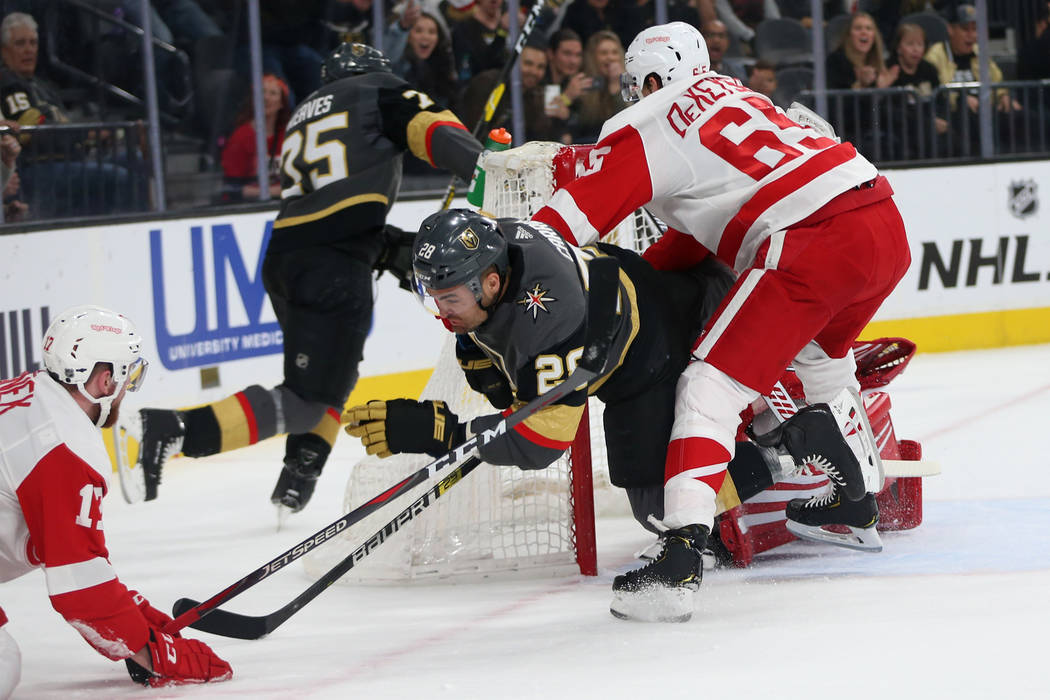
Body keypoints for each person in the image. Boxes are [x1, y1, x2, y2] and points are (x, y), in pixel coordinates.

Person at [530, 22, 909, 619]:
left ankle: (680, 560)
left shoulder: (651, 121)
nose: (634, 94)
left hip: (812, 238)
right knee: (822, 365)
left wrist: (502, 264)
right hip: (881, 219)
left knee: (708, 386)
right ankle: (856, 505)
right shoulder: (737, 94)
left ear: (651, 79)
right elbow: (689, 240)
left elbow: (563, 227)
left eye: (636, 84)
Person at [342, 209, 869, 620]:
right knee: (495, 375)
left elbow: (541, 444)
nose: (442, 311)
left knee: (660, 509)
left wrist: (440, 431)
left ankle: (794, 446)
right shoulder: (493, 245)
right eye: (432, 296)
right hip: (633, 290)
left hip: (648, 351)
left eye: (450, 297)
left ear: (493, 284)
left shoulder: (548, 318)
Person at [129, 43, 483, 515]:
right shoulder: (378, 90)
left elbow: (332, 201)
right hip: (332, 265)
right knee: (305, 402)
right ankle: (172, 429)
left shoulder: (305, 111)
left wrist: (378, 245)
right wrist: (484, 168)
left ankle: (300, 471)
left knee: (329, 374)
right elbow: (431, 127)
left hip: (287, 256)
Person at [0, 305, 231, 692]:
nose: (128, 388)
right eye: (130, 375)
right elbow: (80, 593)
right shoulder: (64, 448)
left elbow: (65, 554)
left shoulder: (32, 394)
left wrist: (133, 614)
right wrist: (157, 654)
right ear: (106, 380)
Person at [0, 12, 145, 219]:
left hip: (69, 160)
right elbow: (30, 131)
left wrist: (102, 138)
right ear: (4, 51)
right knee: (118, 178)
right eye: (20, 43)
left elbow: (61, 125)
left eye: (33, 43)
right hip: (37, 168)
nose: (28, 50)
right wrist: (86, 135)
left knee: (135, 159)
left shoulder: (44, 86)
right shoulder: (8, 83)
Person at [924, 3, 1025, 155]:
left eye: (975, 29)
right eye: (966, 29)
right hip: (955, 116)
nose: (972, 35)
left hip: (985, 112)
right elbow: (936, 93)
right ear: (950, 29)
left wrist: (1004, 95)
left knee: (1022, 116)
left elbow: (996, 80)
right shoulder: (935, 55)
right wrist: (962, 97)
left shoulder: (979, 51)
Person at [457, 42, 571, 143]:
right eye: (528, 64)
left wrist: (559, 120)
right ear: (514, 63)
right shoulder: (488, 83)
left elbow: (540, 139)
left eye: (540, 67)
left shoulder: (535, 95)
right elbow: (473, 129)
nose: (534, 72)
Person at [219, 73, 290, 203]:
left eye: (273, 93)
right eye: (262, 92)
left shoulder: (288, 134)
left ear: (281, 103)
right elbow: (231, 188)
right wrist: (273, 191)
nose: (266, 98)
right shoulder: (241, 137)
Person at [391, 9, 457, 110]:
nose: (425, 37)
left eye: (432, 32)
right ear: (407, 37)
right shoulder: (397, 69)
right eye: (418, 31)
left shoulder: (443, 69)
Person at [571, 30, 630, 142]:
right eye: (604, 53)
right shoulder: (583, 82)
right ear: (593, 57)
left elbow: (630, 119)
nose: (610, 57)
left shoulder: (628, 80)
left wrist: (616, 88)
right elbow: (585, 123)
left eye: (614, 52)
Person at [451, 0, 509, 83]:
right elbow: (481, 65)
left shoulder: (513, 18)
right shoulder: (464, 27)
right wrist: (502, 33)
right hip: (480, 86)